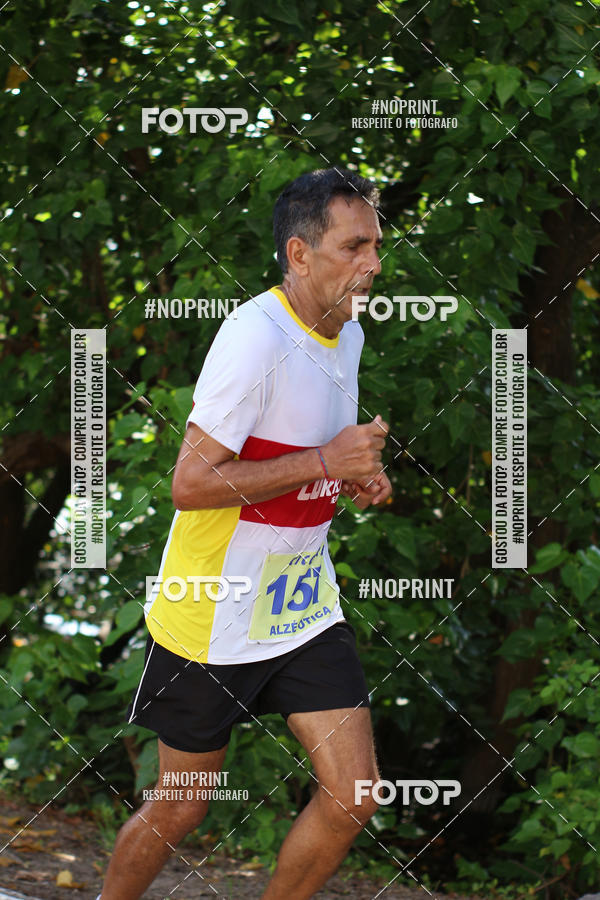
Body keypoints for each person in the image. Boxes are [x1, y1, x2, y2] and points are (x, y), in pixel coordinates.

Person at [99, 167, 392, 899]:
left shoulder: (349, 333)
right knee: (181, 806)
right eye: (354, 247)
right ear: (299, 254)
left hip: (301, 606)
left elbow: (304, 458)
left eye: (376, 245)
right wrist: (324, 461)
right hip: (215, 609)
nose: (374, 264)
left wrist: (351, 478)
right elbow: (191, 484)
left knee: (355, 794)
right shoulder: (254, 339)